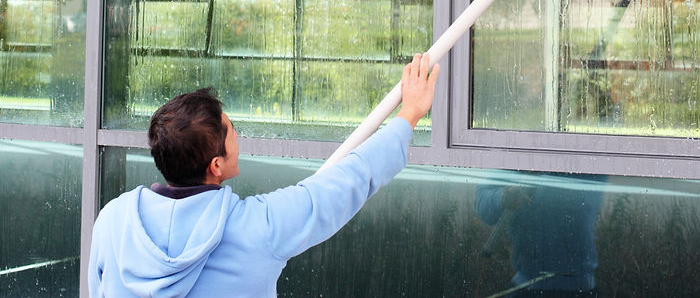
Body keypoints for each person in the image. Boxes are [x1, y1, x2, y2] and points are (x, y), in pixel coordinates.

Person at [88, 52, 439, 297]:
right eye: (231, 131)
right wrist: (409, 114)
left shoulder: (113, 222)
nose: (237, 136)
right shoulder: (259, 228)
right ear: (216, 166)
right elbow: (346, 183)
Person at [475, 171, 606, 297]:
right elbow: (483, 205)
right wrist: (503, 196)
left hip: (577, 287)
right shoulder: (519, 155)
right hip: (528, 284)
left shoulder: (586, 157)